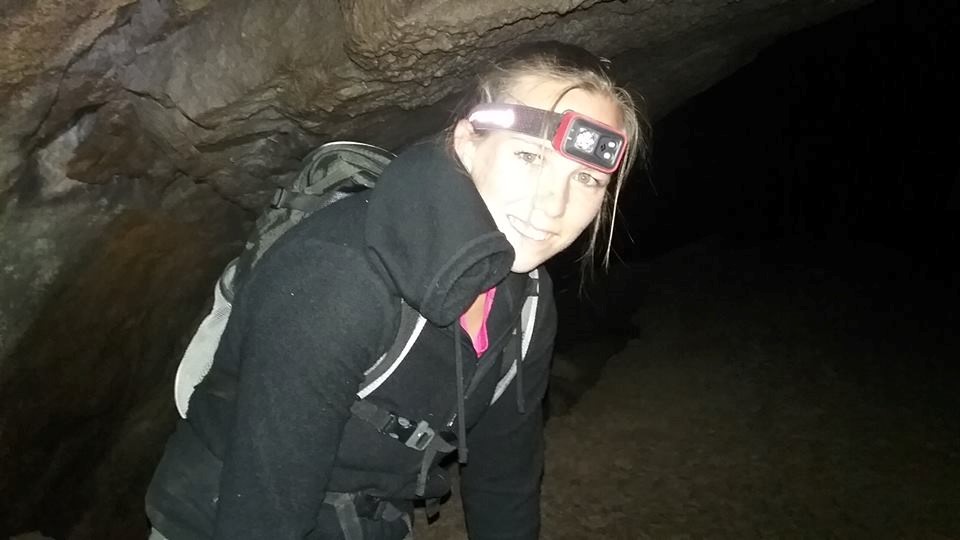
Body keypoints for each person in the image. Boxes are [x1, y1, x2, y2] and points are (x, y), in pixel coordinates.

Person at [145, 41, 647, 540]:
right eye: (529, 156)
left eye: (586, 178)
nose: (553, 207)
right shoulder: (340, 273)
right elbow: (265, 516)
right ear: (468, 139)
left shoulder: (528, 301)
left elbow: (505, 477)